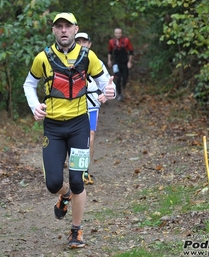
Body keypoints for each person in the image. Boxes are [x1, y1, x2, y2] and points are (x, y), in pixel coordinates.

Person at [23, 13, 115, 248]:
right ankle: (63, 196)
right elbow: (29, 84)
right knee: (53, 183)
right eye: (59, 27)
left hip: (78, 125)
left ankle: (76, 231)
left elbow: (105, 82)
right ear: (54, 31)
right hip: (52, 127)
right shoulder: (43, 58)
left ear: (76, 29)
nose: (63, 31)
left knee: (77, 179)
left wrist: (109, 91)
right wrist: (35, 106)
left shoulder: (87, 56)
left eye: (67, 26)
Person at [75, 32, 112, 185]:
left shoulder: (96, 61)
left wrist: (106, 94)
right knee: (74, 137)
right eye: (78, 41)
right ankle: (75, 168)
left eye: (85, 41)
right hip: (73, 104)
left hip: (91, 102)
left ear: (89, 44)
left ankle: (84, 171)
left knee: (90, 137)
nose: (82, 44)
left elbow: (107, 83)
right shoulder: (67, 61)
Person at [107, 27, 134, 100]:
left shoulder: (126, 40)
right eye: (116, 33)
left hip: (125, 62)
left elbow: (131, 52)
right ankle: (119, 94)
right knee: (117, 78)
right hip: (116, 62)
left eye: (119, 33)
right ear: (114, 33)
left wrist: (129, 62)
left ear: (121, 33)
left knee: (125, 77)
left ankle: (124, 85)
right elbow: (109, 52)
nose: (118, 34)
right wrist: (109, 60)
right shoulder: (111, 42)